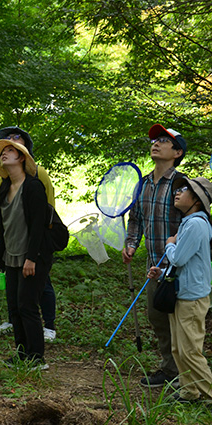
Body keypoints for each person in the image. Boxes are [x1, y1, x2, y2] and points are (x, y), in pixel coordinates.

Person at [124, 124, 187, 388]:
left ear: (177, 152)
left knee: (181, 320)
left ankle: (187, 373)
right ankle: (170, 370)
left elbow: (191, 222)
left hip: (179, 266)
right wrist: (131, 244)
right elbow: (136, 219)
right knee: (156, 316)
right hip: (153, 266)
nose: (156, 144)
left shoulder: (182, 184)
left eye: (164, 141)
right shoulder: (144, 183)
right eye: (154, 140)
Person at [0, 126, 57, 342]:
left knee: (27, 306)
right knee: (15, 306)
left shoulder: (34, 185)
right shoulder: (4, 187)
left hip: (32, 254)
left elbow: (39, 225)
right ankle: (21, 354)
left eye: (10, 150)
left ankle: (36, 358)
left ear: (22, 157)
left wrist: (32, 258)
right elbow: (3, 228)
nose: (4, 153)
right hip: (11, 254)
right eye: (2, 150)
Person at [147, 176, 212, 402]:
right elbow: (182, 264)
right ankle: (189, 392)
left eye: (184, 190)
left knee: (190, 351)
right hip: (181, 293)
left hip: (192, 298)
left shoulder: (196, 224)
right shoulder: (188, 222)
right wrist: (162, 272)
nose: (177, 193)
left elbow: (180, 258)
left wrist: (170, 244)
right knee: (178, 349)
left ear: (196, 199)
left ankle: (209, 393)